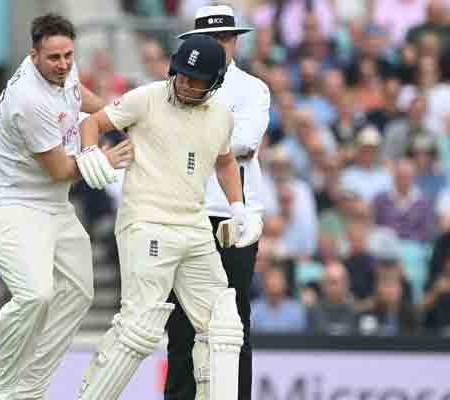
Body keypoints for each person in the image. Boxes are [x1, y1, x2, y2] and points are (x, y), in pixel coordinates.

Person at [76, 34, 261, 400]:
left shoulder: (221, 116)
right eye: (181, 75)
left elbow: (225, 162)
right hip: (146, 221)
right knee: (140, 327)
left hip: (193, 225)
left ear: (215, 83)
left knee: (223, 328)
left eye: (196, 80)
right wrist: (89, 153)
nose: (185, 84)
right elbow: (92, 123)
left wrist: (239, 207)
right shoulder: (146, 98)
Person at [0, 14, 131, 400]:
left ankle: (31, 386)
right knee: (35, 295)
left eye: (67, 56)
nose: (62, 65)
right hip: (9, 201)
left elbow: (82, 99)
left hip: (51, 202)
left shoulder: (64, 72)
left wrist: (122, 119)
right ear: (33, 55)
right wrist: (107, 161)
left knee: (78, 291)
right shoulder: (29, 101)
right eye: (53, 58)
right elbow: (61, 170)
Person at [165, 6, 271, 400]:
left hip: (232, 215)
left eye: (224, 38)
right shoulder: (175, 87)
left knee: (233, 320)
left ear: (235, 41)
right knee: (180, 322)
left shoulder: (252, 88)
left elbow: (244, 143)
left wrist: (189, 140)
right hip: (186, 211)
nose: (219, 46)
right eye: (210, 40)